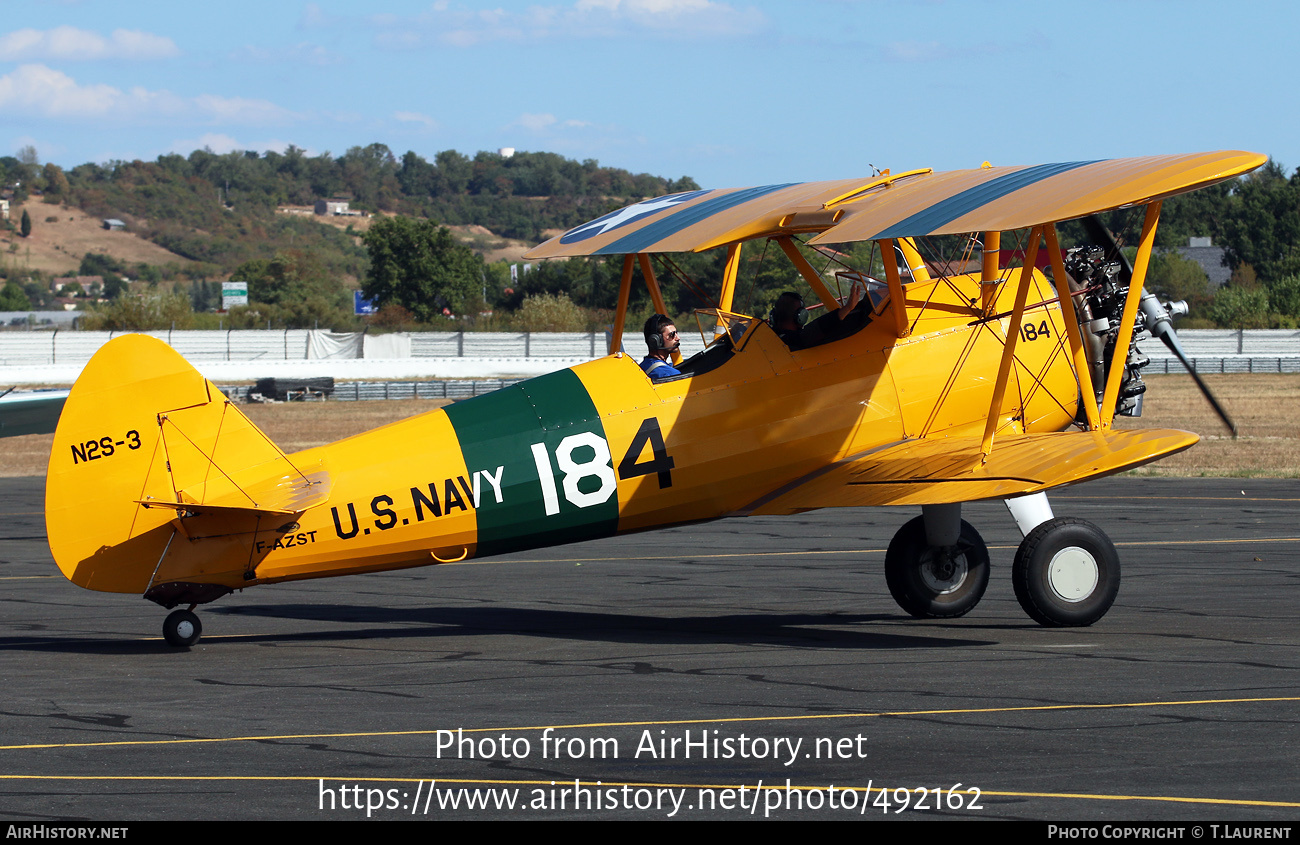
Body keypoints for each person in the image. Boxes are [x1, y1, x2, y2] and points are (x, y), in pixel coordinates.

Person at [769, 286, 862, 351]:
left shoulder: (769, 336)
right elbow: (818, 327)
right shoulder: (795, 340)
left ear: (773, 315)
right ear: (801, 316)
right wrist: (847, 308)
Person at [640, 314, 682, 380]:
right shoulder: (670, 374)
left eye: (677, 333)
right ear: (656, 340)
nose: (678, 338)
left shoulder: (643, 366)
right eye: (672, 335)